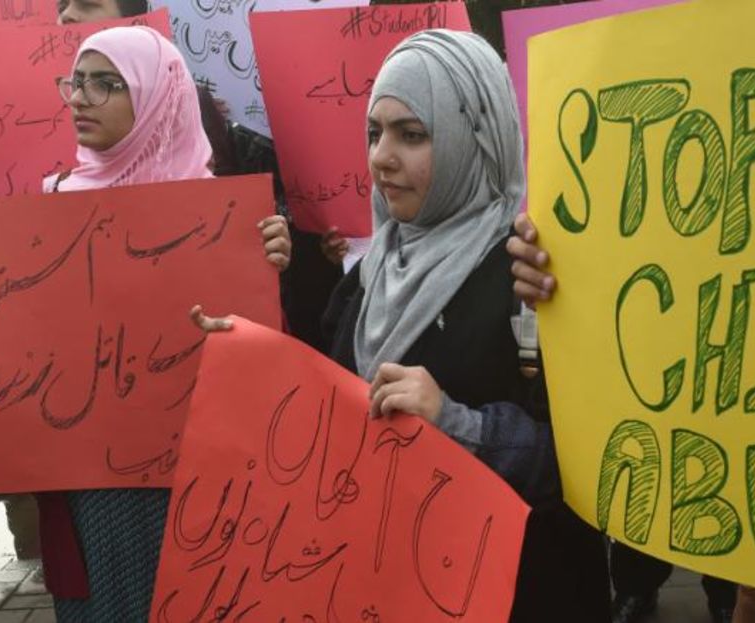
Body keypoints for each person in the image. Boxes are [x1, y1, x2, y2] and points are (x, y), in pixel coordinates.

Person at [194, 29, 612, 622]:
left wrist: (455, 423)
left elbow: (578, 465)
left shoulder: (532, 273)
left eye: (412, 135)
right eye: (374, 132)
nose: (381, 157)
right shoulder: (369, 278)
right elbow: (329, 409)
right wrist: (248, 345)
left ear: (478, 139)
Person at [40, 25, 290, 621]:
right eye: (76, 82)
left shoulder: (219, 210)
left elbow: (263, 359)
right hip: (89, 479)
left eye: (106, 84)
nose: (79, 98)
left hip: (193, 475)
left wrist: (271, 270)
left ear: (156, 94)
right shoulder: (49, 200)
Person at [508, 213, 740, 623]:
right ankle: (637, 584)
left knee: (724, 471)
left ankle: (727, 593)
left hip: (726, 315)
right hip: (645, 319)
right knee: (642, 464)